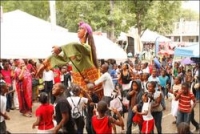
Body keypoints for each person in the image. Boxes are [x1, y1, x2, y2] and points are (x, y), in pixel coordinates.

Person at [37, 21, 102, 99]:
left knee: (90, 104)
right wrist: (44, 64)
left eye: (81, 28)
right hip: (78, 82)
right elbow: (62, 57)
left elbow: (74, 46)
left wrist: (60, 48)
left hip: (89, 83)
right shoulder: (73, 50)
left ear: (86, 32)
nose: (78, 30)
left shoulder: (86, 47)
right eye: (78, 28)